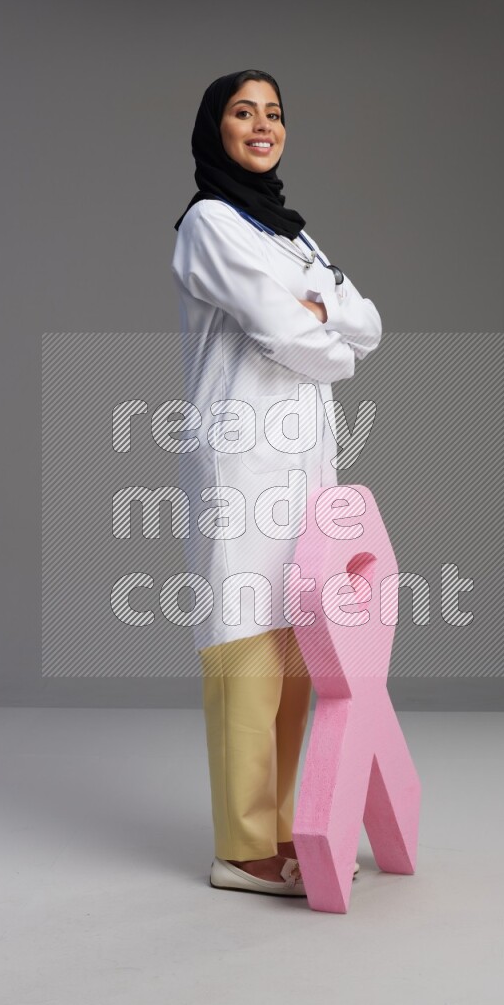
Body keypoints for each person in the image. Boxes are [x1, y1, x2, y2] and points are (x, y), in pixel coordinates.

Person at [171, 69, 382, 896]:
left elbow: (367, 318)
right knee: (243, 650)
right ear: (213, 128)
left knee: (297, 649)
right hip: (241, 456)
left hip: (304, 458)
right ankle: (242, 847)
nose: (261, 126)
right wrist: (327, 331)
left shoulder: (294, 235)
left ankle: (286, 831)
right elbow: (280, 325)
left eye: (274, 114)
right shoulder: (210, 223)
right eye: (242, 112)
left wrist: (321, 319)